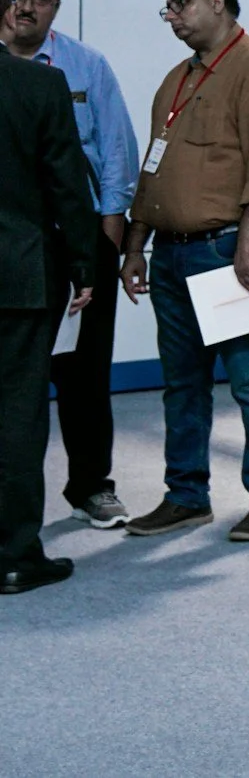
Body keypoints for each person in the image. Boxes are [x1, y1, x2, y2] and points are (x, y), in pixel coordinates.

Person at [122, 0, 249, 544]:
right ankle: (185, 496)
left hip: (229, 250)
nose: (172, 17)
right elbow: (153, 169)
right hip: (172, 254)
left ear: (217, 1)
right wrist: (135, 245)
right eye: (168, 8)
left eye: (181, 4)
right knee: (183, 385)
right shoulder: (177, 79)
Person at [4, 0, 140, 529]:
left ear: (57, 7)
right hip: (12, 244)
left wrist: (108, 232)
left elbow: (116, 149)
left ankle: (91, 486)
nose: (26, 7)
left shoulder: (86, 65)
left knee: (84, 373)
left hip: (76, 242)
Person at [0, 44, 102, 593]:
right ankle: (15, 557)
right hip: (20, 272)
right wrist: (84, 263)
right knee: (18, 416)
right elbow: (67, 182)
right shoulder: (39, 83)